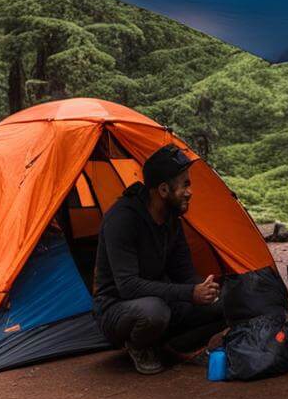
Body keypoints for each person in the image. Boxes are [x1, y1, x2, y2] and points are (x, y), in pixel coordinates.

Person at [92, 144, 226, 375]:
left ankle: (172, 346)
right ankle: (138, 345)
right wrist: (189, 293)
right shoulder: (122, 219)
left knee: (226, 303)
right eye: (184, 185)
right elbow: (128, 286)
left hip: (161, 300)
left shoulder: (172, 219)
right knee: (155, 312)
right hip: (117, 309)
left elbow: (184, 274)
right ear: (163, 190)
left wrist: (207, 292)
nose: (189, 191)